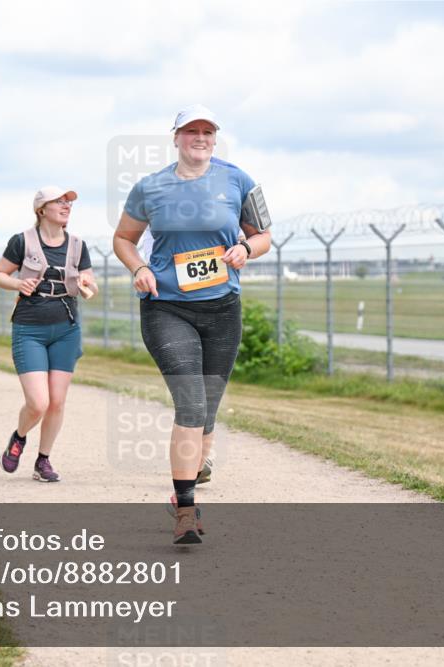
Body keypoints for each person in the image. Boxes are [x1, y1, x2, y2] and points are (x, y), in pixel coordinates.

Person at [113, 104, 272, 544]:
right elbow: (123, 239)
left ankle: (198, 459)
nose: (199, 137)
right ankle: (185, 509)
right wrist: (138, 268)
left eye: (207, 131)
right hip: (167, 305)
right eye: (190, 131)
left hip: (222, 307)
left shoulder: (238, 180)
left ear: (214, 138)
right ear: (176, 137)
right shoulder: (150, 187)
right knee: (191, 404)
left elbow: (263, 236)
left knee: (209, 406)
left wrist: (248, 250)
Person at [0, 186, 97, 483]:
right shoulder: (21, 241)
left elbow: (89, 281)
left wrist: (89, 281)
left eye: (69, 202)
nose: (66, 206)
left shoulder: (78, 244)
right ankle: (19, 437)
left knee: (57, 402)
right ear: (41, 209)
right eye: (59, 202)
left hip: (67, 328)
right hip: (30, 328)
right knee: (38, 402)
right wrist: (17, 285)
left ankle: (43, 460)